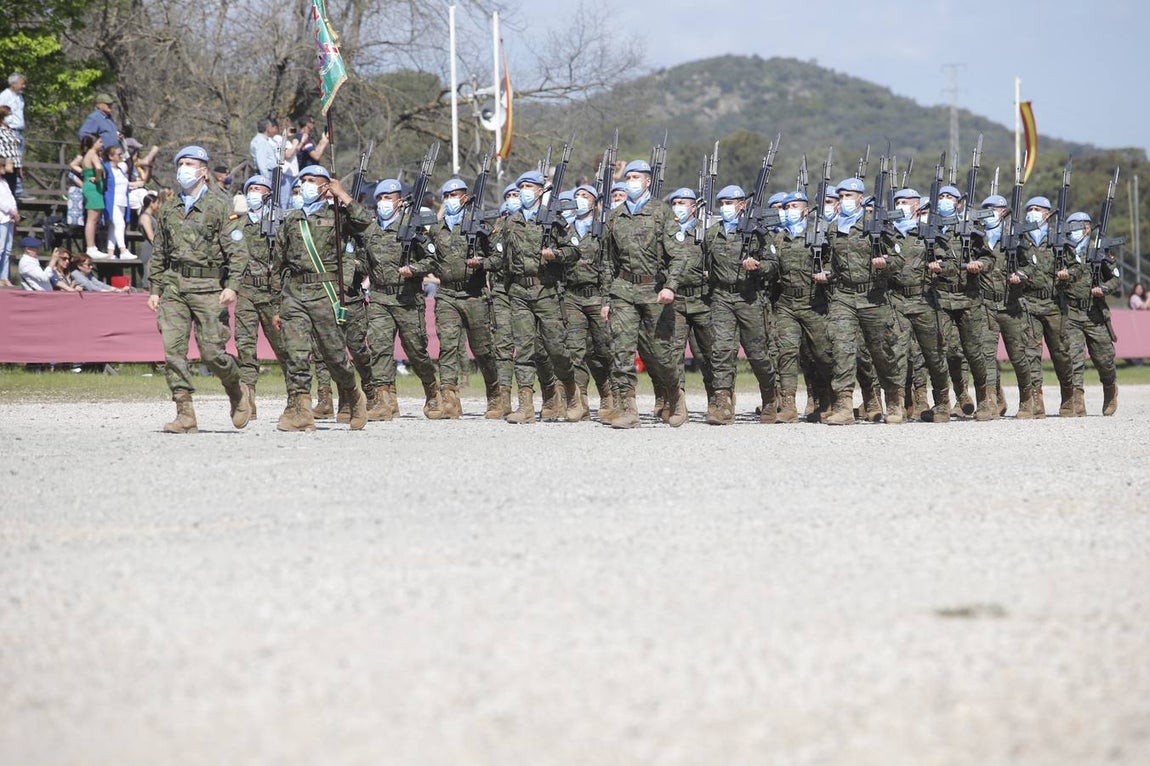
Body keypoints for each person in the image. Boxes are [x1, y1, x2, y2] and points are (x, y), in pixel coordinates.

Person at [145, 145, 253, 434]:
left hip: (209, 287)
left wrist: (232, 286)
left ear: (204, 171)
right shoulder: (169, 208)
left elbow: (238, 252)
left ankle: (235, 387)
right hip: (174, 287)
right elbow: (160, 252)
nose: (184, 169)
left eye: (190, 163)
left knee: (212, 353)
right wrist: (155, 287)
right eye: (181, 163)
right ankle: (184, 413)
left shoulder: (221, 206)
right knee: (173, 352)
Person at [270, 164, 372, 431]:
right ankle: (300, 410)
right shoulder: (292, 219)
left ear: (325, 185)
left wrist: (343, 195)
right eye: (303, 179)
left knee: (334, 355)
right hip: (294, 293)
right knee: (296, 354)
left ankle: (352, 393)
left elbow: (365, 223)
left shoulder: (337, 215)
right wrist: (278, 305)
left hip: (325, 294)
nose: (305, 184)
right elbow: (278, 264)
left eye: (311, 180)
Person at [600, 160, 678, 428]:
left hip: (654, 291)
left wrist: (671, 286)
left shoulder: (662, 212)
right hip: (623, 290)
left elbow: (678, 255)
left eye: (636, 177)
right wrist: (607, 299)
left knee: (660, 354)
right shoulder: (615, 216)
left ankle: (674, 396)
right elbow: (608, 262)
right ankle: (627, 409)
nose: (631, 181)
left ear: (647, 182)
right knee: (620, 351)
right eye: (628, 176)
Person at [357, 178, 443, 420]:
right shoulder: (372, 230)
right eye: (381, 198)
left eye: (389, 198)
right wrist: (351, 265)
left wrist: (414, 269)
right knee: (380, 349)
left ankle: (432, 391)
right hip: (380, 298)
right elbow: (365, 262)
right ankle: (384, 401)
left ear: (400, 201)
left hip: (406, 299)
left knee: (416, 350)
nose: (384, 203)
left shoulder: (412, 228)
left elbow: (432, 260)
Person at [702, 184, 779, 425]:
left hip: (749, 298)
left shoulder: (758, 233)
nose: (725, 207)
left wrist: (759, 266)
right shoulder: (713, 233)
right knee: (722, 351)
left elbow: (774, 264)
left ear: (742, 205)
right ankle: (723, 402)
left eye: (730, 203)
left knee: (757, 354)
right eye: (722, 203)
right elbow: (705, 263)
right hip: (722, 298)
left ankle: (769, 396)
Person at [428, 177, 501, 418]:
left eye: (455, 195)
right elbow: (429, 257)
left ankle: (495, 394)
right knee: (447, 346)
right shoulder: (437, 229)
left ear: (465, 197)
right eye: (446, 196)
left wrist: (482, 263)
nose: (450, 200)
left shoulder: (479, 224)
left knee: (483, 349)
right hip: (447, 294)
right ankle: (449, 400)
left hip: (474, 295)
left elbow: (499, 258)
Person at [771, 190, 834, 422]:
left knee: (822, 353)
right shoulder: (779, 239)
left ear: (806, 211)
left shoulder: (819, 235)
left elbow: (831, 261)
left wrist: (826, 273)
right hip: (787, 303)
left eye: (794, 207)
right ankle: (788, 406)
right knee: (786, 353)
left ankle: (827, 400)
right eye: (786, 208)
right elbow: (771, 267)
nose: (789, 212)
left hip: (814, 302)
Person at [232, 175, 289, 417]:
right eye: (251, 189)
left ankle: (297, 396)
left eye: (259, 189)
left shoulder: (281, 222)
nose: (254, 193)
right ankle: (247, 401)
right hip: (245, 291)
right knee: (244, 345)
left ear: (269, 194)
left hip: (273, 292)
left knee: (284, 347)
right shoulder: (236, 224)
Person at [102, 144, 141, 258]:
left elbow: (124, 183)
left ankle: (110, 252)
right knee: (120, 224)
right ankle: (123, 250)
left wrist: (135, 184)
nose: (120, 156)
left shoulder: (120, 169)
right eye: (118, 154)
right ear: (111, 156)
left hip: (122, 201)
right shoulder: (106, 167)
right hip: (111, 201)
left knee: (114, 227)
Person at [71, 134, 106, 258]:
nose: (102, 144)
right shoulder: (92, 154)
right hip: (93, 188)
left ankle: (92, 246)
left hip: (89, 186)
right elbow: (98, 168)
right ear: (94, 143)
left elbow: (73, 164)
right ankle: (91, 247)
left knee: (93, 219)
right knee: (92, 218)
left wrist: (84, 172)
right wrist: (97, 178)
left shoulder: (86, 155)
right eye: (100, 141)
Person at [0, 74, 27, 198]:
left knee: (18, 159)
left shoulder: (20, 96)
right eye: (21, 83)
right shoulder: (4, 96)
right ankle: (15, 189)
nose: (24, 86)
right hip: (10, 130)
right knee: (10, 160)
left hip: (18, 131)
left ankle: (17, 188)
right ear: (13, 84)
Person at [0, 105, 21, 196]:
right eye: (9, 115)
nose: (11, 117)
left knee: (11, 191)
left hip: (14, 165)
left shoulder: (11, 131)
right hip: (4, 164)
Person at [0, 176, 17, 286]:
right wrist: (10, 210)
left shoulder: (4, 182)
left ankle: (4, 277)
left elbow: (11, 198)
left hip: (9, 218)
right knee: (0, 248)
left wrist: (15, 211)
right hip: (2, 217)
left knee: (7, 249)